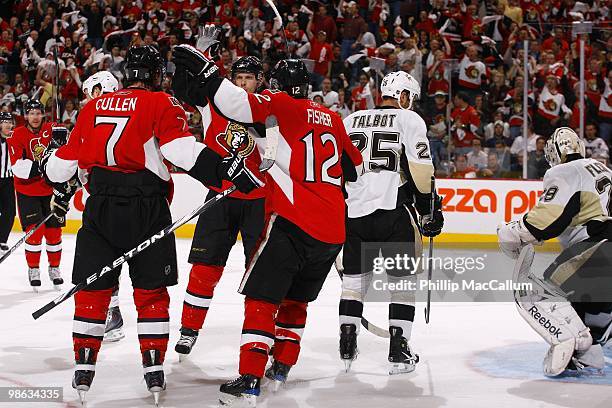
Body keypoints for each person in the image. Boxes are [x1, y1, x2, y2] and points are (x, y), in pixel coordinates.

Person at [41, 45, 262, 405]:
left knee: (93, 293)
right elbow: (179, 151)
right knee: (152, 294)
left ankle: (83, 369)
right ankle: (154, 370)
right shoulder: (162, 103)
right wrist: (225, 170)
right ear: (157, 75)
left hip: (99, 211)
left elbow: (57, 170)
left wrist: (54, 166)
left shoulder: (93, 106)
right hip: (146, 210)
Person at [171, 47, 363, 405]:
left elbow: (232, 102)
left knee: (261, 299)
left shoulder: (279, 106)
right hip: (333, 230)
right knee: (296, 300)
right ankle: (283, 365)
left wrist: (204, 63)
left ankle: (249, 380)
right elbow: (354, 170)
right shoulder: (333, 119)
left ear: (274, 86)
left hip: (292, 222)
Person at [340, 71, 443, 374]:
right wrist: (428, 209)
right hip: (393, 212)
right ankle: (399, 350)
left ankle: (347, 343)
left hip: (354, 213)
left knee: (354, 283)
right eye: (409, 97)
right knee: (401, 284)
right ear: (403, 95)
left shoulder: (351, 119)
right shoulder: (409, 120)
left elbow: (338, 168)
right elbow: (422, 172)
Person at [174, 55, 268, 359]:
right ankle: (189, 330)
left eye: (248, 78)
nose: (242, 84)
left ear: (260, 80)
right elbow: (181, 87)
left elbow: (278, 155)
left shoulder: (269, 110)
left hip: (260, 203)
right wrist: (196, 58)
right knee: (204, 269)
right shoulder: (214, 103)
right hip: (220, 197)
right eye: (237, 78)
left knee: (260, 275)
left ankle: (262, 336)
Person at [498, 127, 612, 377]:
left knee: (543, 292)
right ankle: (591, 348)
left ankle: (578, 344)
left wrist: (513, 231)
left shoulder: (565, 170)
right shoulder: (604, 169)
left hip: (599, 247)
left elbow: (550, 219)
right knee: (587, 301)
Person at [80, 71, 125, 343]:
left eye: (90, 92)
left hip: (108, 197)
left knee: (106, 261)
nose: (89, 98)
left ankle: (112, 312)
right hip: (141, 199)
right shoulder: (132, 108)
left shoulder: (93, 115)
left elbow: (83, 164)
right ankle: (119, 314)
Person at [7, 99, 65, 291]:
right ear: (26, 115)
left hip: (50, 190)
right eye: (31, 113)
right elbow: (18, 167)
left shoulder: (52, 129)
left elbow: (66, 152)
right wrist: (47, 165)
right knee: (34, 232)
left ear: (43, 115)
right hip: (27, 191)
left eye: (38, 113)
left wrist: (62, 142)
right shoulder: (17, 135)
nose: (35, 116)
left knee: (54, 232)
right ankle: (33, 269)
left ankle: (54, 268)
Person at [0, 112, 15, 256]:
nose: (8, 124)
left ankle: (2, 239)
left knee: (10, 211)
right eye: (5, 121)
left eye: (10, 122)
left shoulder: (15, 139)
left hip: (9, 180)